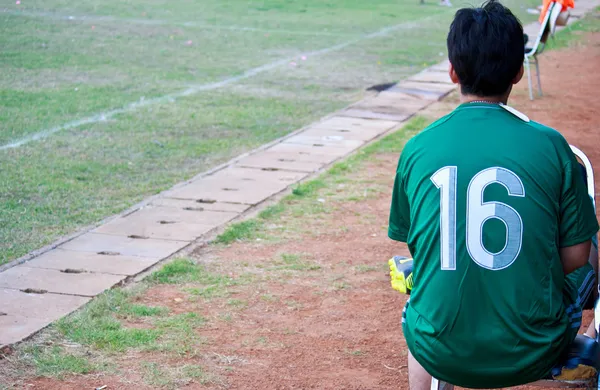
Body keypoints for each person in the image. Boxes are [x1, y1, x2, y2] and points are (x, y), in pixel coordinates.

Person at [386, 1, 599, 389]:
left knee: (421, 293)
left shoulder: (417, 148)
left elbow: (419, 242)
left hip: (441, 351)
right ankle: (589, 346)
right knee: (590, 246)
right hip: (534, 351)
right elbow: (575, 259)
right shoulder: (553, 147)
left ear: (453, 71)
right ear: (518, 72)